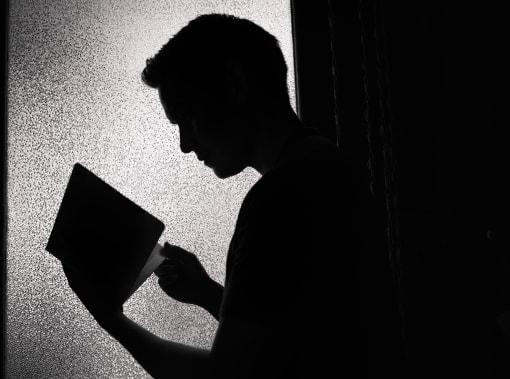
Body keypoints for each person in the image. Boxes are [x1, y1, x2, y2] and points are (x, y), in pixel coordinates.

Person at [62, 13, 403, 378]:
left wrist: (111, 320)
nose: (185, 144)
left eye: (186, 116)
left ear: (235, 84)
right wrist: (208, 294)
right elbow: (294, 346)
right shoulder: (323, 166)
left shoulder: (281, 197)